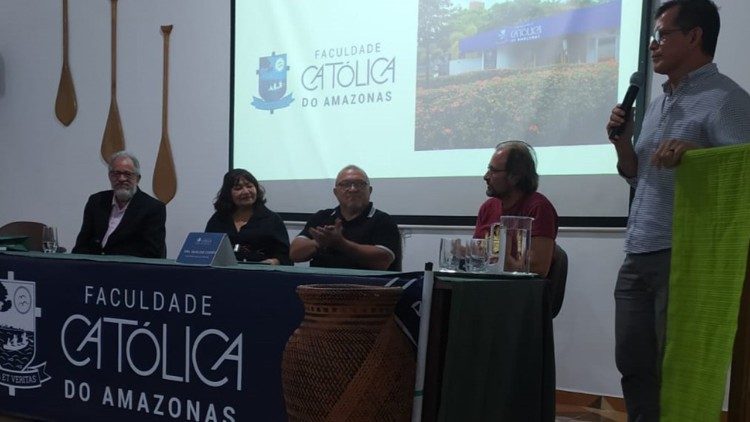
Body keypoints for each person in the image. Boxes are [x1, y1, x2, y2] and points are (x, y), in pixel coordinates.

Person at [605, 1, 750, 420]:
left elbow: (743, 171)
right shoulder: (656, 105)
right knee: (632, 366)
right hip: (639, 251)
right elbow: (638, 177)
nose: (653, 45)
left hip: (682, 257)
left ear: (694, 36)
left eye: (662, 34)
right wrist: (623, 144)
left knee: (673, 371)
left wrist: (697, 155)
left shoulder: (726, 100)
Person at [290, 165, 401, 271]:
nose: (352, 189)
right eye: (345, 184)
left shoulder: (383, 220)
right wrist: (319, 242)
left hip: (367, 288)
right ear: (335, 192)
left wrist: (341, 243)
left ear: (370, 190)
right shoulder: (322, 217)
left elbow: (382, 261)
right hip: (321, 287)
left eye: (359, 184)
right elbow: (294, 254)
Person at [474, 140, 558, 277]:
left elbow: (539, 270)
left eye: (493, 171)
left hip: (519, 294)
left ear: (515, 177)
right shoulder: (488, 207)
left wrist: (505, 262)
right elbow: (479, 259)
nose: (486, 176)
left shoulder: (538, 207)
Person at [72, 151, 166, 258]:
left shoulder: (153, 208)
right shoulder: (96, 201)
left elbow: (152, 253)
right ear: (109, 176)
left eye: (127, 174)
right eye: (116, 173)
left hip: (128, 271)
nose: (121, 179)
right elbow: (81, 245)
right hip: (92, 269)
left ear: (138, 178)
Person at [205, 169, 290, 265]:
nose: (246, 191)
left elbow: (286, 256)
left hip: (261, 275)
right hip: (224, 275)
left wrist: (273, 262)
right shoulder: (218, 219)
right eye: (238, 188)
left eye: (249, 186)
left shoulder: (272, 220)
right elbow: (207, 251)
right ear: (228, 194)